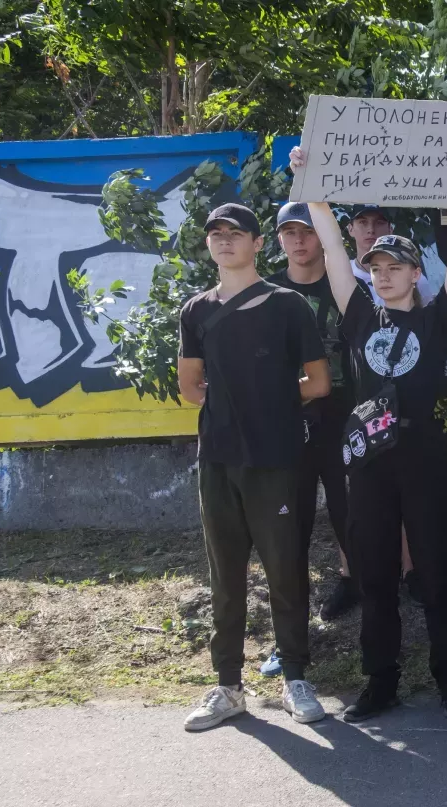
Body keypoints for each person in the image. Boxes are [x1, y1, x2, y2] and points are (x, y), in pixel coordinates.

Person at [292, 145, 447, 722]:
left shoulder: (434, 316)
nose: (384, 276)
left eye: (395, 267)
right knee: (374, 574)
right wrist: (316, 195)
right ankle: (381, 682)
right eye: (375, 268)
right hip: (368, 460)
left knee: (437, 572)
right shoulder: (357, 314)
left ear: (414, 272)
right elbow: (330, 252)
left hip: (422, 453)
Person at [176, 202, 331, 730]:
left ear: (259, 243)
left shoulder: (288, 306)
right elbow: (190, 387)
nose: (224, 241)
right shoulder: (195, 310)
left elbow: (319, 382)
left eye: (235, 233)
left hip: (275, 459)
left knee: (286, 570)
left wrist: (271, 400)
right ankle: (228, 686)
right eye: (215, 233)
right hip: (218, 460)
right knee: (226, 575)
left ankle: (295, 680)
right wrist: (232, 404)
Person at [262, 202, 358, 628]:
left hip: (345, 412)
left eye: (307, 231)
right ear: (279, 240)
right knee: (290, 519)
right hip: (289, 416)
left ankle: (357, 585)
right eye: (290, 233)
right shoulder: (265, 295)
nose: (299, 241)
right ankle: (291, 621)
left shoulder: (346, 287)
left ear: (323, 236)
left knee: (350, 512)